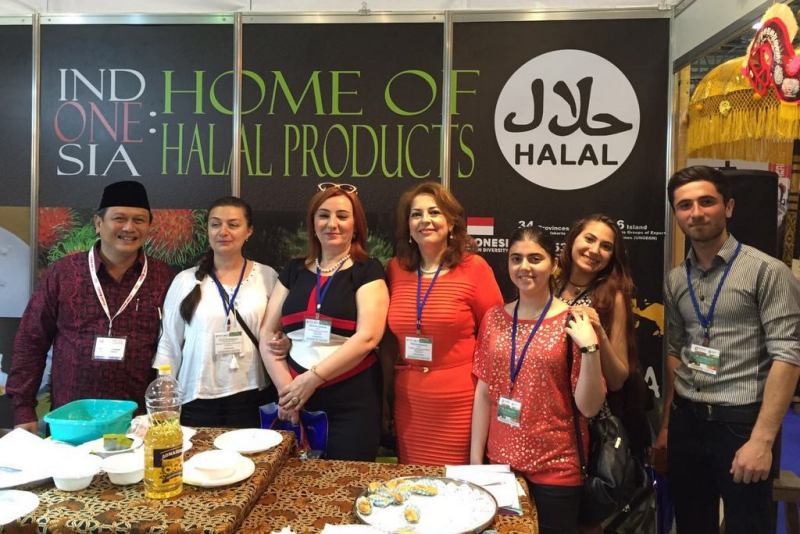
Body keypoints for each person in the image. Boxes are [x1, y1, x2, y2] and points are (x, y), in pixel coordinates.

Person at [655, 165, 800, 533]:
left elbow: (788, 355)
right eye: (685, 205)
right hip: (688, 421)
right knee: (692, 524)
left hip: (741, 423)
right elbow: (675, 351)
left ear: (729, 207)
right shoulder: (676, 279)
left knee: (748, 525)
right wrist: (668, 426)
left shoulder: (767, 272)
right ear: (676, 214)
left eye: (707, 202)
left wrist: (762, 440)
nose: (696, 213)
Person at [8, 180, 174, 432]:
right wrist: (23, 409)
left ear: (149, 225)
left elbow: (175, 348)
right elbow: (31, 340)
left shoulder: (165, 278)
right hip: (71, 419)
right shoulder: (64, 273)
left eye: (139, 220)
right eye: (119, 218)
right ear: (98, 223)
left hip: (139, 422)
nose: (129, 227)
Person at [470, 226, 605, 534]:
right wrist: (476, 461)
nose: (524, 267)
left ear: (554, 264)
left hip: (556, 468)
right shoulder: (494, 319)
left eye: (535, 258)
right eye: (516, 258)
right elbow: (484, 392)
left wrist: (590, 348)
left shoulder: (573, 321)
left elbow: (589, 407)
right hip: (500, 468)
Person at [259, 183, 389, 461]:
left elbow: (368, 337)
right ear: (313, 224)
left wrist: (312, 379)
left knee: (349, 478)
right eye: (323, 215)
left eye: (342, 216)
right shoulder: (294, 270)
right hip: (295, 397)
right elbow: (267, 333)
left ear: (356, 225)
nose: (332, 224)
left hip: (352, 400)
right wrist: (288, 392)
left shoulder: (368, 270)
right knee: (294, 481)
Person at [386, 182, 503, 465]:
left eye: (434, 212)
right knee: (413, 481)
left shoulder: (474, 268)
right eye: (416, 214)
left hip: (460, 402)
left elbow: (496, 335)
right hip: (410, 402)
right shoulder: (395, 269)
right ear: (408, 226)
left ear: (451, 223)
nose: (425, 220)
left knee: (456, 482)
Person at [154, 197, 281, 428]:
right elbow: (169, 343)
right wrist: (165, 397)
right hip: (197, 397)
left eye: (233, 224)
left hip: (253, 395)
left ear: (249, 231)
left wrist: (282, 342)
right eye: (215, 224)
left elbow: (277, 332)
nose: (223, 231)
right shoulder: (185, 281)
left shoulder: (267, 277)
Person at [556, 214, 650, 459]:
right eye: (589, 239)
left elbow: (618, 379)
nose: (595, 250)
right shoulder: (549, 286)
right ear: (573, 239)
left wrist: (598, 333)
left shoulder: (612, 297)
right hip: (551, 410)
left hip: (591, 421)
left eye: (606, 246)